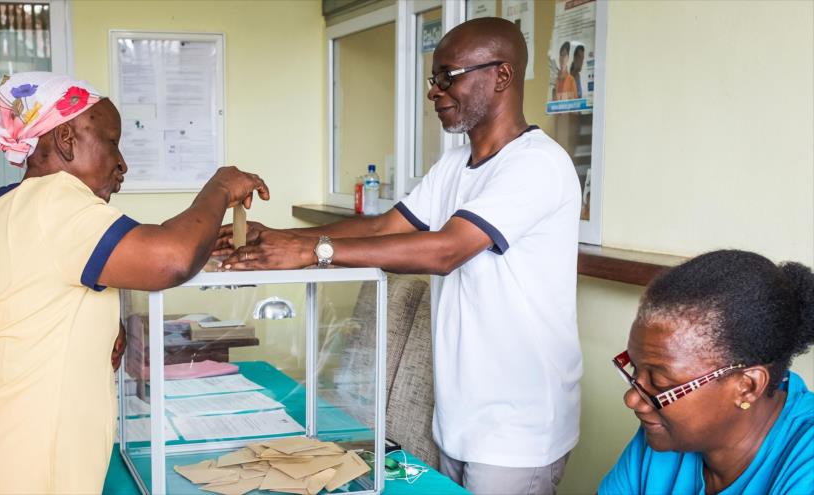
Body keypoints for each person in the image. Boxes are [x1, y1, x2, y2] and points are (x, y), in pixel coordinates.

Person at [215, 17, 582, 495]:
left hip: (518, 425)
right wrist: (275, 235)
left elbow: (447, 249)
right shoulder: (454, 164)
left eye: (448, 76)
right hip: (461, 414)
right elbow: (384, 227)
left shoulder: (537, 164)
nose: (434, 91)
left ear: (502, 76)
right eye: (434, 79)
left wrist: (310, 250)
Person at [0, 72, 268, 494]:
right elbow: (171, 258)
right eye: (112, 141)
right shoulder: (56, 201)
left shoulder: (1, 212)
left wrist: (86, 330)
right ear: (65, 138)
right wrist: (220, 186)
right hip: (27, 467)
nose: (122, 163)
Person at [600, 250, 814, 495]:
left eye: (659, 382)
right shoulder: (663, 429)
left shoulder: (806, 464)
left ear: (747, 387)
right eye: (635, 370)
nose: (632, 399)